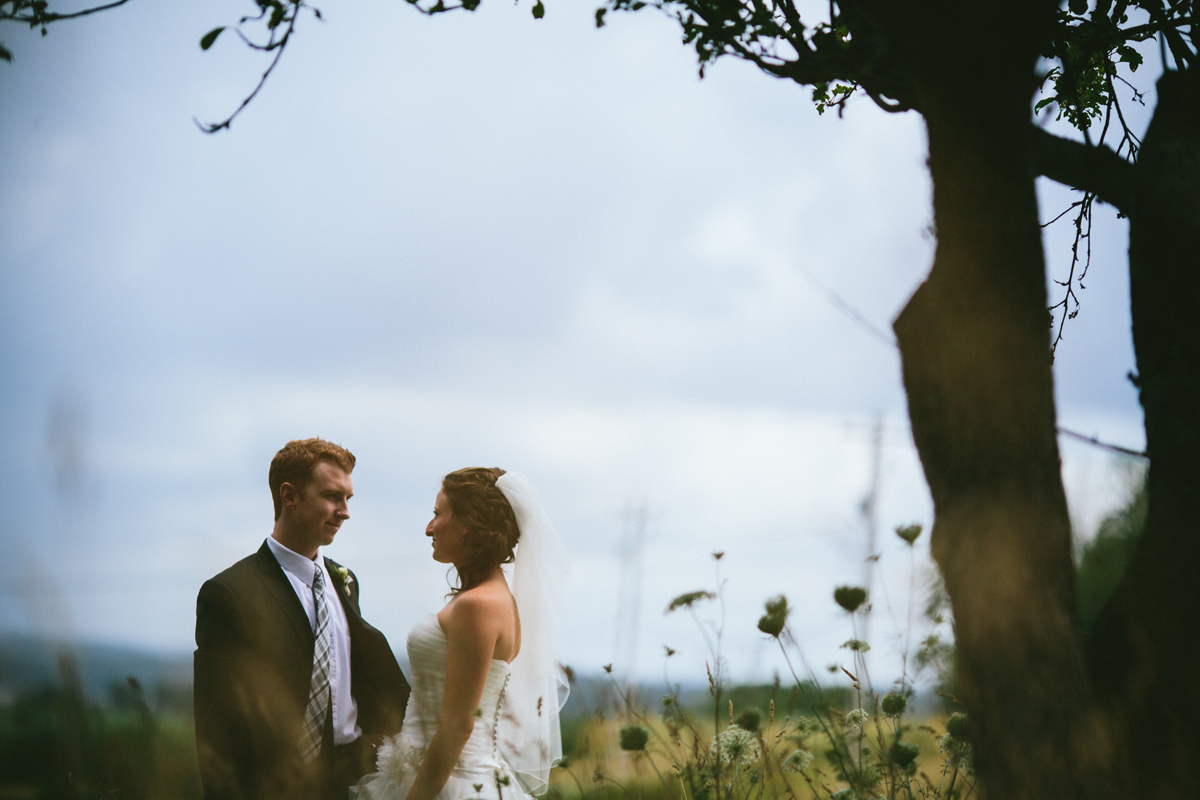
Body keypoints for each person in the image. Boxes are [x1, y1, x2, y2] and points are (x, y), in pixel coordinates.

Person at [194, 438, 411, 800]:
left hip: (357, 781)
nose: (344, 511)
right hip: (278, 786)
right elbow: (217, 730)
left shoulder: (345, 580)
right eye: (332, 496)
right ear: (289, 496)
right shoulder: (230, 593)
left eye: (348, 499)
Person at [356, 468, 569, 800]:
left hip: (450, 783)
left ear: (469, 525)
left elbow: (458, 726)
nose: (429, 528)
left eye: (438, 514)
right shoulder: (491, 598)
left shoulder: (479, 606)